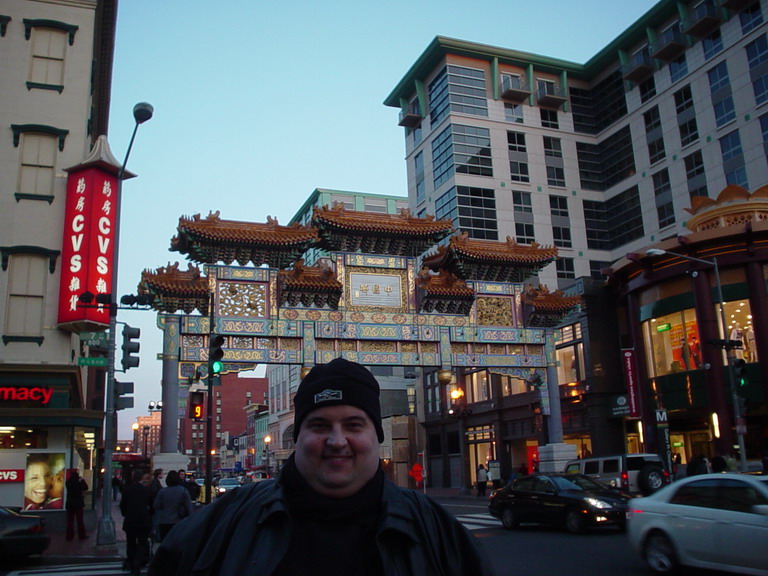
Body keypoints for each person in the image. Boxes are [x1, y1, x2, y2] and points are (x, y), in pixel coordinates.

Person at [149, 358, 495, 576]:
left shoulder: (435, 531)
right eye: (319, 425)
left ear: (376, 435)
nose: (336, 440)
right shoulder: (225, 522)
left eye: (354, 425)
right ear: (298, 437)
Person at [121, 470, 154, 576]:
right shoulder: (146, 491)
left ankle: (131, 563)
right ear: (141, 478)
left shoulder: (127, 490)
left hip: (130, 520)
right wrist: (148, 514)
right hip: (143, 520)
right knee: (142, 543)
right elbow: (152, 506)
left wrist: (126, 514)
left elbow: (123, 506)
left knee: (130, 543)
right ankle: (138, 563)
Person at [153, 470, 192, 541]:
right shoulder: (183, 491)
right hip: (178, 521)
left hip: (164, 521)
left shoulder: (162, 492)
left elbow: (156, 506)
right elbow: (189, 508)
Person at [65, 468, 88, 541]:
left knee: (70, 521)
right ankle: (81, 535)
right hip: (78, 504)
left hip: (70, 503)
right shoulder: (79, 483)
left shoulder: (68, 482)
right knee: (80, 520)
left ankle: (69, 536)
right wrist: (82, 480)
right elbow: (85, 487)